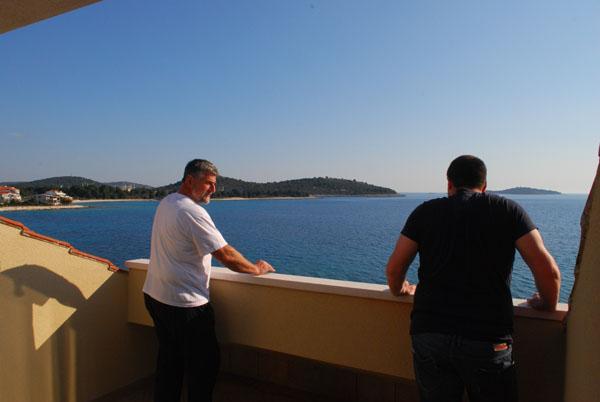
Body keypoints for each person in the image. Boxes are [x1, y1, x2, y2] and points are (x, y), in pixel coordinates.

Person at [386, 155, 561, 402]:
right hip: (487, 340)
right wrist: (547, 304)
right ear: (485, 185)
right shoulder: (507, 210)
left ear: (449, 184)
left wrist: (400, 289)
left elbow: (395, 269)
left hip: (430, 335)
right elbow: (548, 271)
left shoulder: (425, 212)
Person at [143, 159, 275, 402]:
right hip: (184, 306)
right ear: (189, 180)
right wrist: (256, 269)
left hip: (156, 296)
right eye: (208, 183)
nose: (213, 189)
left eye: (215, 184)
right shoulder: (191, 211)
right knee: (204, 368)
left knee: (169, 364)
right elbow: (225, 254)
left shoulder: (167, 202)